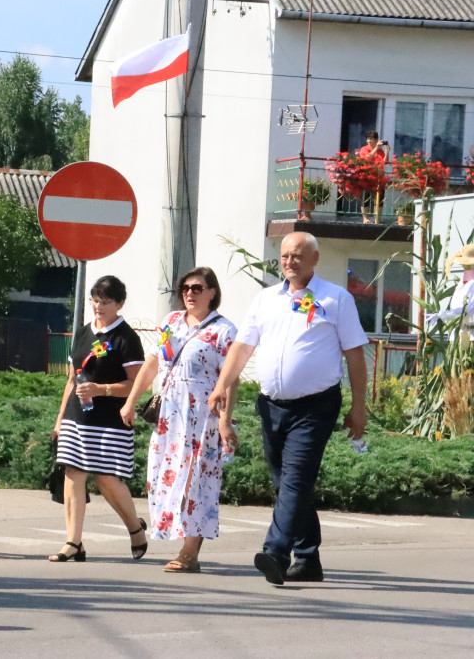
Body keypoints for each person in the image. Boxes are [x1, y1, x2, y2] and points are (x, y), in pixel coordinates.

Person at [208, 232, 367, 585]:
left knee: (295, 479)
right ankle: (308, 559)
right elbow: (242, 346)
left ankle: (276, 551)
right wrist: (221, 386)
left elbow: (355, 355)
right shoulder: (266, 299)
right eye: (284, 256)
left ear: (314, 258)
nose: (289, 262)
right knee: (289, 484)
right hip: (271, 406)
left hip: (316, 406)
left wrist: (359, 407)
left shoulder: (335, 298)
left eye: (297, 256)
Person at [120, 267, 238, 573]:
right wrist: (132, 401)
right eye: (185, 287)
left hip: (202, 416)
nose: (189, 293)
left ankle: (189, 552)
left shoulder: (223, 330)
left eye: (197, 288)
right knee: (167, 476)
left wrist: (226, 420)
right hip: (170, 416)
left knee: (196, 481)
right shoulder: (171, 322)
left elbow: (230, 380)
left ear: (212, 292)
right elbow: (153, 363)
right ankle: (179, 539)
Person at [49, 276, 148, 563]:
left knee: (107, 479)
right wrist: (60, 419)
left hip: (110, 419)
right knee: (73, 474)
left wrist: (101, 389)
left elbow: (137, 384)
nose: (98, 306)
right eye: (95, 300)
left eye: (105, 302)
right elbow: (71, 380)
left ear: (120, 303)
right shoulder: (83, 332)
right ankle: (73, 542)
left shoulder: (126, 337)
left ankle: (135, 528)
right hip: (76, 416)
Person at [357, 130, 387, 223]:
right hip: (367, 176)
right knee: (365, 197)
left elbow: (384, 162)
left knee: (379, 198)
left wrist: (387, 152)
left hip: (379, 177)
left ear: (377, 140)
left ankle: (377, 218)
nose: (369, 141)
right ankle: (365, 218)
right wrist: (376, 149)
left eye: (371, 139)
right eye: (368, 139)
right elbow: (367, 158)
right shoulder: (364, 149)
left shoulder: (381, 151)